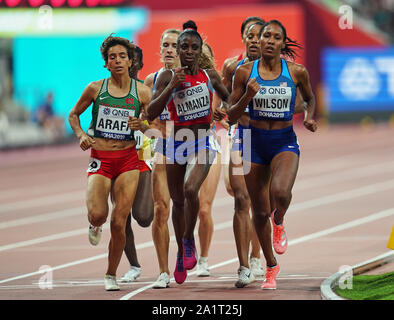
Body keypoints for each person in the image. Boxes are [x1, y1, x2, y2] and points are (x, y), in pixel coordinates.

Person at [228, 20, 317, 289]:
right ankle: (270, 265)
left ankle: (280, 220)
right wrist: (247, 97)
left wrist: (310, 118)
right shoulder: (244, 73)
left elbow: (310, 98)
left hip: (283, 142)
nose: (269, 40)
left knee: (281, 194)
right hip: (253, 143)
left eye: (276, 37)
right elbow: (231, 115)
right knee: (258, 211)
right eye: (266, 35)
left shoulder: (297, 72)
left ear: (282, 43)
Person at [147, 20, 229, 285]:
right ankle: (183, 253)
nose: (189, 51)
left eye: (194, 47)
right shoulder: (166, 77)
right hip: (176, 144)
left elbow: (230, 99)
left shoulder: (209, 75)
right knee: (178, 203)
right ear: (179, 51)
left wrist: (227, 109)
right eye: (184, 47)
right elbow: (150, 113)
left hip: (203, 142)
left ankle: (187, 239)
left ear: (200, 49)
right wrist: (172, 87)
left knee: (191, 190)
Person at [68, 35, 152, 291]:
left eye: (122, 56)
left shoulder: (142, 92)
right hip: (101, 160)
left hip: (128, 159)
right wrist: (82, 135)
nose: (117, 61)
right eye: (112, 57)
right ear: (106, 63)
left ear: (130, 61)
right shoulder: (95, 89)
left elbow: (152, 124)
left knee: (119, 221)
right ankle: (93, 224)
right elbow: (73, 115)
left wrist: (143, 125)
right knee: (99, 214)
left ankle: (111, 274)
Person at [220, 18, 266, 287]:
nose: (253, 39)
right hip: (242, 137)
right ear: (243, 38)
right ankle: (244, 266)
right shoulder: (232, 66)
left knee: (262, 203)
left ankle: (257, 255)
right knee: (240, 198)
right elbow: (225, 96)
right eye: (249, 34)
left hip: (269, 138)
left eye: (259, 35)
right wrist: (224, 111)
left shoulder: (279, 70)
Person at [144, 28, 181, 289]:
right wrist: (149, 129)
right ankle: (163, 271)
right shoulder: (151, 80)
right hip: (164, 146)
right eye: (165, 45)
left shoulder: (195, 78)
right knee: (160, 209)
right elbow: (146, 120)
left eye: (174, 45)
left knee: (187, 208)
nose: (169, 50)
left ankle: (185, 250)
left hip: (192, 147)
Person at [119, 45, 155, 282]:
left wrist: (145, 124)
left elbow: (157, 127)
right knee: (119, 216)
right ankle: (134, 265)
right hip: (115, 156)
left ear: (138, 65)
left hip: (142, 154)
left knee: (143, 217)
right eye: (122, 58)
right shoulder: (103, 90)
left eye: (130, 60)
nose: (125, 64)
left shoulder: (145, 91)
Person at [195, 41, 223, 277]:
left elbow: (220, 116)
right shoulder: (176, 80)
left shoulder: (215, 82)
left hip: (209, 145)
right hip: (180, 147)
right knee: (184, 208)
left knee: (204, 209)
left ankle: (203, 258)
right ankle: (186, 249)